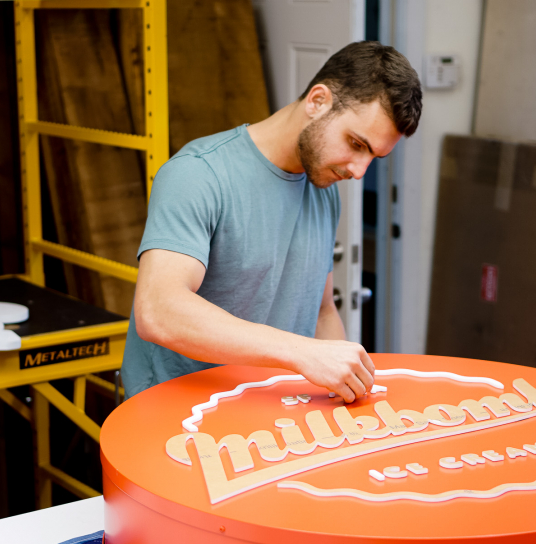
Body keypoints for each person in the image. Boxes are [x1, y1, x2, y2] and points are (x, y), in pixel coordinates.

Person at [121, 40, 422, 402]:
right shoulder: (199, 174)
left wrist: (353, 388)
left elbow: (322, 312)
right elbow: (158, 311)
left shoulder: (322, 186)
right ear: (318, 101)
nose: (359, 171)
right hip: (176, 413)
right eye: (357, 144)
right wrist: (303, 353)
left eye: (374, 156)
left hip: (264, 410)